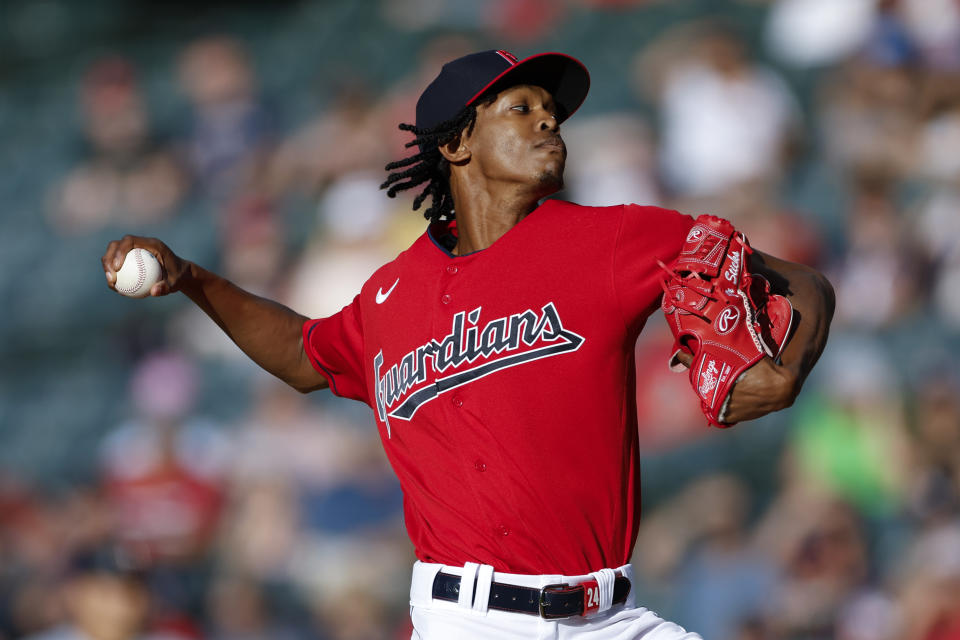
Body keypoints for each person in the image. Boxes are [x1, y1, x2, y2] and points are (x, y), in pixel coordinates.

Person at [102, 50, 835, 639]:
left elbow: (804, 282)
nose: (549, 122)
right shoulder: (392, 294)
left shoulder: (614, 237)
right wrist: (193, 278)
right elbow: (303, 354)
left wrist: (790, 366)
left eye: (554, 112)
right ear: (455, 141)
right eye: (521, 109)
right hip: (467, 618)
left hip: (613, 615)